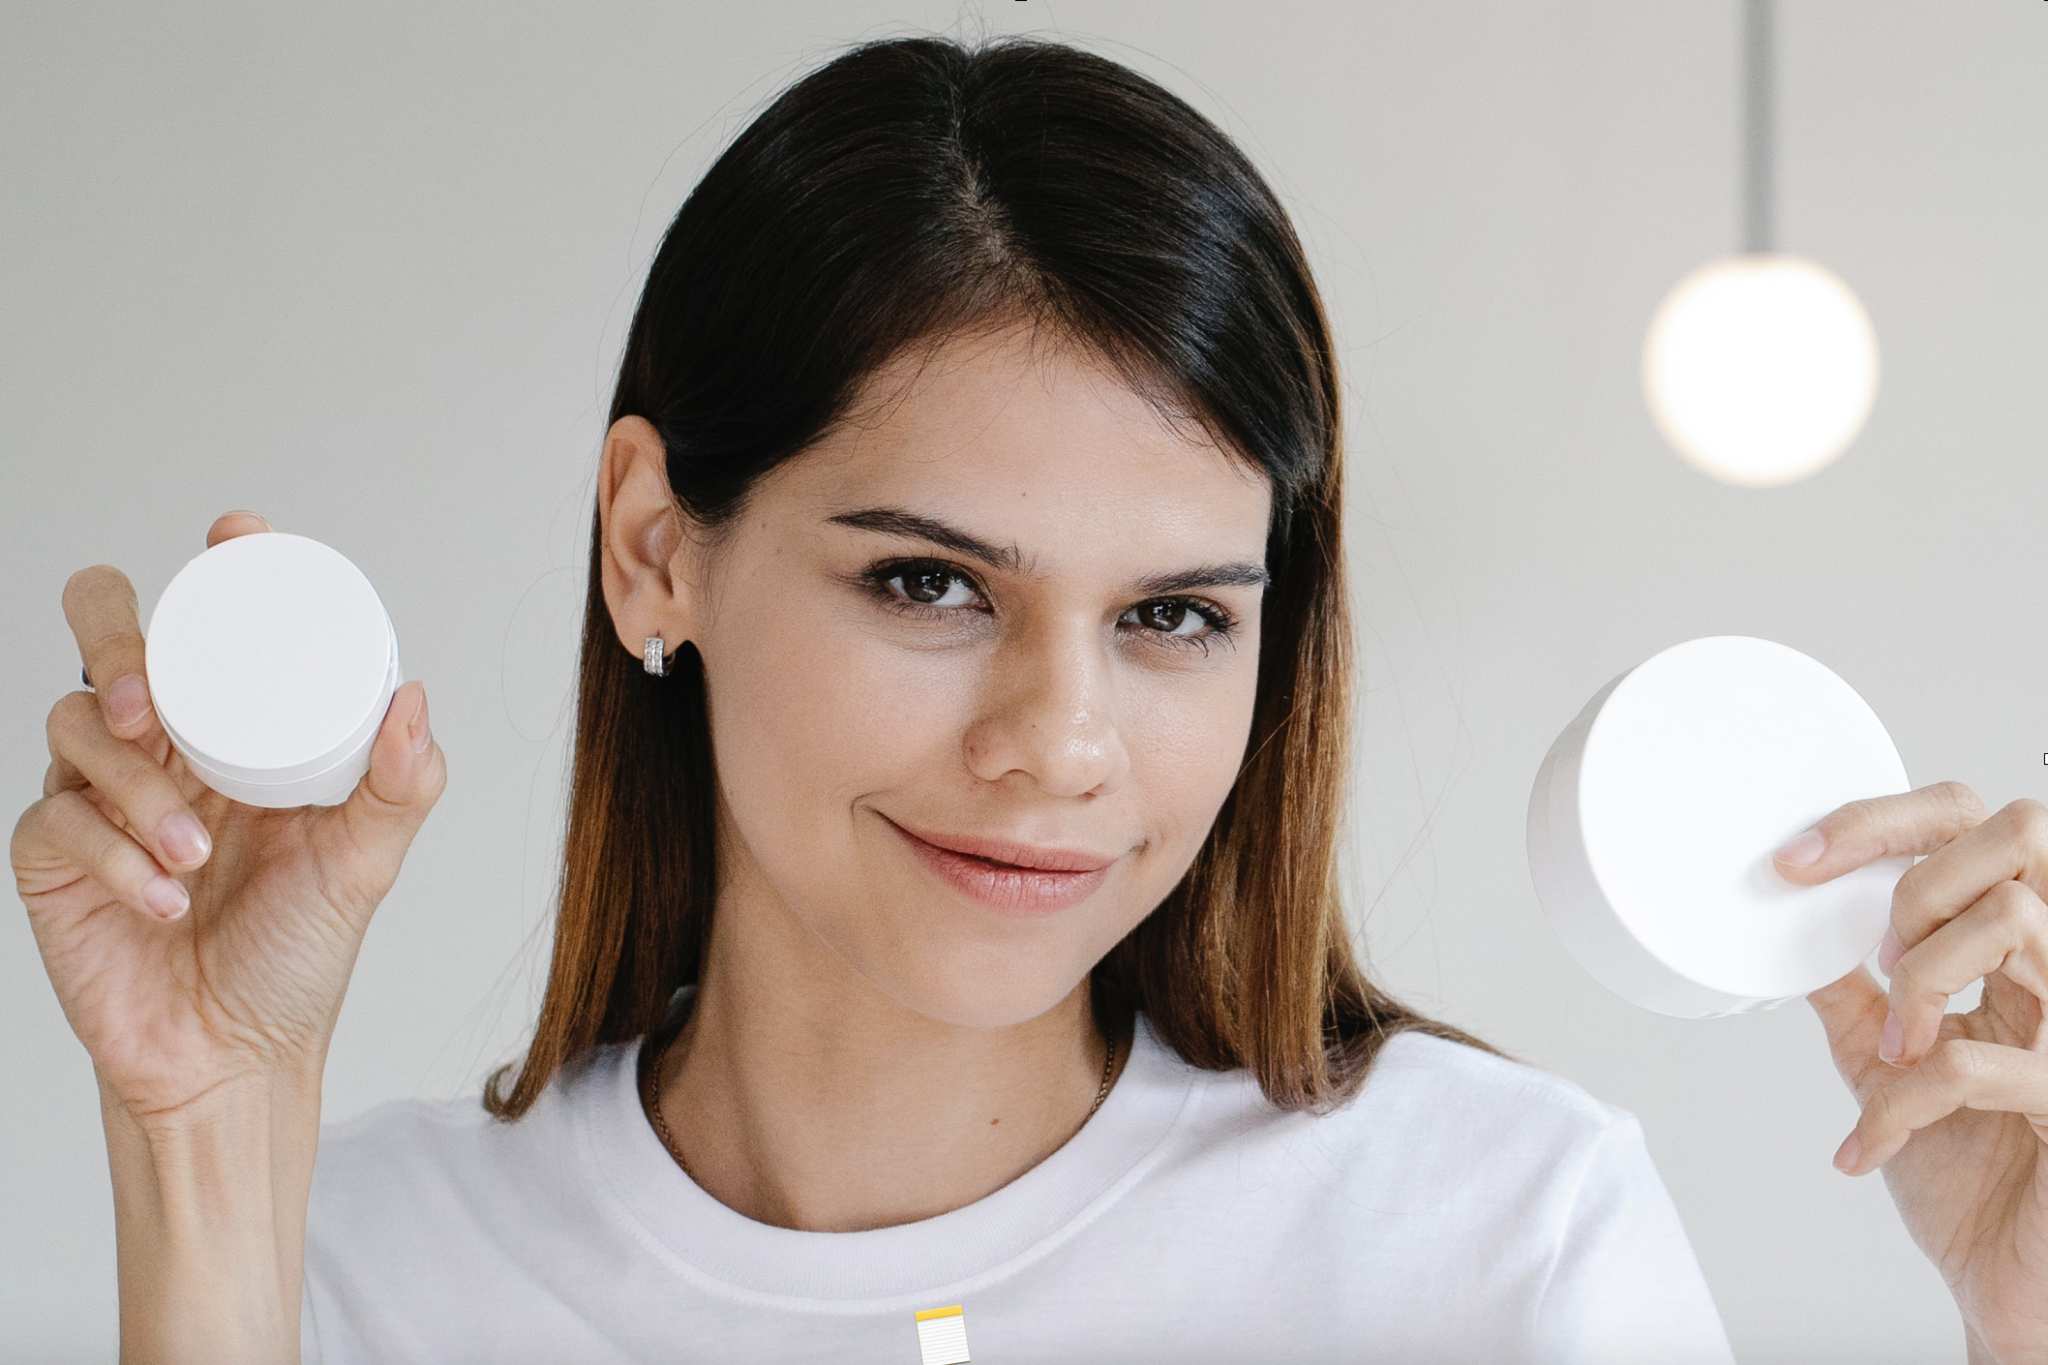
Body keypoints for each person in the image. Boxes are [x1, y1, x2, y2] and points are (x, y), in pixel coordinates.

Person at [14, 35, 2048, 1365]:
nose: (1058, 744)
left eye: (1172, 617)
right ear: (656, 547)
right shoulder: (345, 1273)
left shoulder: (1497, 1241)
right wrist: (206, 1134)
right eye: (926, 581)